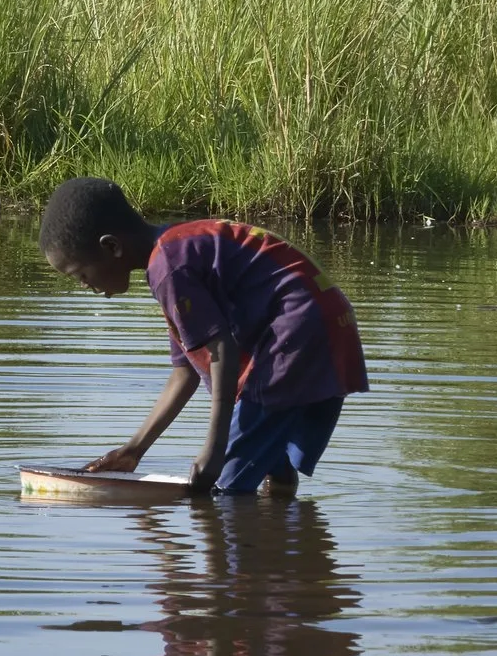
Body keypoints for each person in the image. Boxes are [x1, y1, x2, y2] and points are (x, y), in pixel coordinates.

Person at [38, 176, 367, 495]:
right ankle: (280, 531)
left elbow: (219, 350)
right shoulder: (174, 253)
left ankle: (241, 536)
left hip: (298, 330)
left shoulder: (169, 266)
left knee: (224, 489)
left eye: (80, 274)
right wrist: (134, 450)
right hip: (325, 324)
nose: (85, 285)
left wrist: (215, 447)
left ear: (111, 247)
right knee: (267, 457)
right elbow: (186, 372)